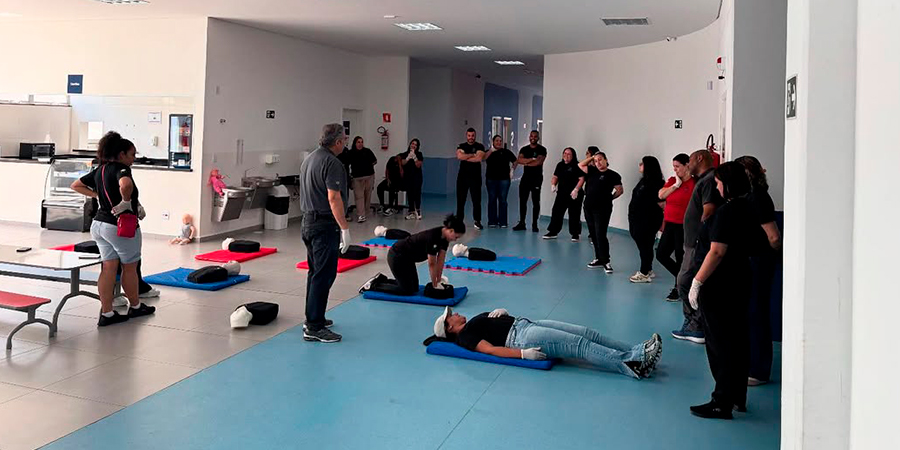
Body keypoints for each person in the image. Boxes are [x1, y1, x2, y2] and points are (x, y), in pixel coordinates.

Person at [687, 162, 757, 419]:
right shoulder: (748, 206)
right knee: (738, 341)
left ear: (728, 183)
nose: (716, 187)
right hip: (740, 280)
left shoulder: (727, 212)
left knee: (720, 344)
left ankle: (721, 401)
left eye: (718, 182)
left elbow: (717, 251)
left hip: (720, 285)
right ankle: (737, 396)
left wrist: (697, 282)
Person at [70, 131, 155, 326]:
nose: (134, 159)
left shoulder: (100, 169)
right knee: (130, 267)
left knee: (108, 267)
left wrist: (98, 196)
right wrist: (126, 202)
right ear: (122, 154)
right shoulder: (121, 169)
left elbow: (75, 185)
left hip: (99, 225)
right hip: (119, 226)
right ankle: (135, 307)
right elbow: (125, 185)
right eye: (132, 155)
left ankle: (107, 313)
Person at [433, 307, 662, 379]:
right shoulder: (464, 337)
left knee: (587, 333)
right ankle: (632, 365)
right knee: (579, 345)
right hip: (522, 338)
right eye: (451, 316)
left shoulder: (472, 322)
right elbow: (490, 350)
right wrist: (523, 355)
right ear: (450, 328)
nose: (455, 314)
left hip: (526, 323)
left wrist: (501, 311)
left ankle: (635, 350)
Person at [298, 123, 351, 343]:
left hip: (308, 222)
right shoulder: (332, 163)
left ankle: (313, 316)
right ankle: (314, 326)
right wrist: (344, 228)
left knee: (315, 272)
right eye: (345, 140)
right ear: (337, 142)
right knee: (324, 274)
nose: (345, 143)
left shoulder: (310, 159)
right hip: (324, 225)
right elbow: (333, 197)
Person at [735, 155, 782, 387]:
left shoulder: (758, 198)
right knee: (750, 313)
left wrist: (769, 254)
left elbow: (773, 237)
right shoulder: (748, 197)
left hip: (759, 261)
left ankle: (759, 370)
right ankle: (751, 363)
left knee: (757, 313)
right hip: (751, 260)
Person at [672, 149, 722, 344]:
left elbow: (708, 210)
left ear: (699, 158)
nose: (688, 164)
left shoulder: (708, 180)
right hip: (693, 243)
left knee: (685, 281)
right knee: (685, 280)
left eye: (690, 160)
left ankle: (696, 325)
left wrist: (701, 237)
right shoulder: (704, 180)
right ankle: (696, 323)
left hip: (697, 244)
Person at [360, 215, 465, 296]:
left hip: (408, 259)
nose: (455, 240)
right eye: (456, 236)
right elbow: (432, 263)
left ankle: (381, 279)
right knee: (406, 290)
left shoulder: (445, 238)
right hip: (397, 256)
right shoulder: (434, 237)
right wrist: (434, 285)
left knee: (414, 288)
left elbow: (441, 260)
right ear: (450, 230)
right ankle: (374, 285)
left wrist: (438, 281)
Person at [657, 154, 695, 300]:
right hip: (670, 223)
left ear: (687, 166)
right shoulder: (673, 181)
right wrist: (676, 185)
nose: (675, 170)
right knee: (661, 254)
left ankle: (678, 287)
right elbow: (661, 195)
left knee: (680, 257)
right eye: (674, 167)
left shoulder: (694, 183)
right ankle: (684, 280)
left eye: (678, 167)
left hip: (684, 225)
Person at [578, 150, 623, 273]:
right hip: (588, 207)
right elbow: (580, 165)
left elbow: (619, 190)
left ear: (606, 160)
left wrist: (610, 198)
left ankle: (606, 261)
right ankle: (598, 258)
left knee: (600, 234)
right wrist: (592, 157)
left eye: (600, 160)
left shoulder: (613, 175)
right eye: (596, 161)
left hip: (603, 209)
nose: (598, 163)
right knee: (593, 234)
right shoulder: (591, 171)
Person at [627, 156, 665, 283]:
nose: (639, 165)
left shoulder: (655, 183)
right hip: (638, 219)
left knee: (645, 245)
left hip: (647, 220)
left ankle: (644, 273)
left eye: (642, 164)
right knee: (645, 245)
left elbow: (661, 203)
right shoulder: (644, 181)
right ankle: (648, 269)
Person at [544, 147, 585, 241]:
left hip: (574, 194)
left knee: (574, 213)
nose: (566, 155)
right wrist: (553, 184)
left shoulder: (577, 165)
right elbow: (555, 176)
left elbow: (581, 179)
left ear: (573, 156)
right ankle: (553, 232)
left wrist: (576, 190)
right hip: (562, 193)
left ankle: (575, 234)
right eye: (565, 153)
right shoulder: (560, 165)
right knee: (556, 212)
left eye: (569, 154)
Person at [513, 130, 547, 232]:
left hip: (536, 179)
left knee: (536, 202)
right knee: (522, 201)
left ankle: (534, 224)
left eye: (535, 136)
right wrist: (531, 160)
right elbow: (519, 160)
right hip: (525, 179)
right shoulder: (524, 149)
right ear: (529, 137)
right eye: (531, 136)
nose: (533, 138)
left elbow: (538, 162)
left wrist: (526, 162)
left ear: (538, 138)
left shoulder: (542, 149)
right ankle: (522, 223)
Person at [456, 128, 487, 230]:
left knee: (476, 200)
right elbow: (459, 157)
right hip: (462, 178)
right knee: (460, 200)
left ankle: (477, 221)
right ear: (466, 136)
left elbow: (479, 158)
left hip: (475, 178)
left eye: (472, 135)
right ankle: (459, 221)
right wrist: (472, 155)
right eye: (469, 135)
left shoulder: (480, 146)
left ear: (475, 136)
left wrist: (466, 156)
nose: (471, 138)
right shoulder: (461, 146)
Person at [484, 135, 517, 228]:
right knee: (492, 199)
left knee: (503, 200)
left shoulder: (506, 152)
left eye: (500, 141)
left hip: (504, 180)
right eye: (497, 141)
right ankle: (492, 221)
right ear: (493, 142)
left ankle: (503, 222)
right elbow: (483, 158)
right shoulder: (489, 152)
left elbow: (515, 161)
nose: (499, 142)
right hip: (491, 179)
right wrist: (491, 150)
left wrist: (512, 170)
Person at [348, 136, 377, 223]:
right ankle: (361, 215)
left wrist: (367, 165)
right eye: (358, 142)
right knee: (359, 196)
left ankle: (365, 212)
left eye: (361, 142)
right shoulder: (351, 152)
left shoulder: (367, 151)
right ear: (355, 143)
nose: (360, 144)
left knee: (367, 195)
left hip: (369, 176)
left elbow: (374, 161)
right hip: (357, 178)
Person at [403, 138, 424, 220]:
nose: (414, 146)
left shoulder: (419, 154)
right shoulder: (406, 153)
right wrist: (408, 157)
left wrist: (414, 157)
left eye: (415, 145)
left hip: (417, 177)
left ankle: (418, 210)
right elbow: (403, 162)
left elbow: (418, 165)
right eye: (412, 144)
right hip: (408, 177)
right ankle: (411, 211)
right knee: (410, 194)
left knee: (417, 194)